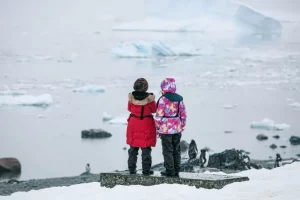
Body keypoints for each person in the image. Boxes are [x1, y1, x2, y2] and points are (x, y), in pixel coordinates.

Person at [155, 78, 187, 177]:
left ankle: (170, 170)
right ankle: (177, 169)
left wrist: (157, 127)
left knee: (167, 150)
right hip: (177, 128)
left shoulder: (163, 99)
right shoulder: (179, 99)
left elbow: (159, 115)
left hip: (165, 129)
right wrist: (182, 124)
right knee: (176, 149)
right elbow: (183, 113)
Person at [126, 78, 157, 176]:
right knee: (146, 149)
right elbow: (154, 110)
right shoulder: (150, 100)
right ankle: (146, 170)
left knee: (133, 149)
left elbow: (129, 108)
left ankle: (131, 170)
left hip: (134, 123)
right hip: (146, 124)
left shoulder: (131, 98)